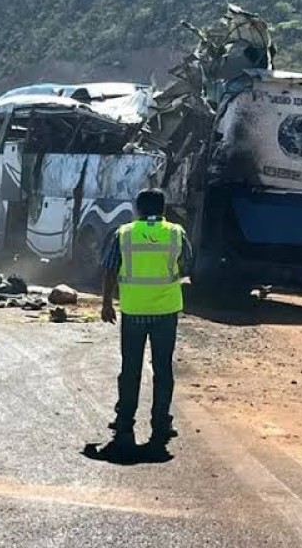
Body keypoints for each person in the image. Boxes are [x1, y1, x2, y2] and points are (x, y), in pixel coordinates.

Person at [101, 188, 192, 450]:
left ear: (138, 208)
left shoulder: (124, 233)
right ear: (163, 208)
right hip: (166, 311)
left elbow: (109, 269)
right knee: (163, 369)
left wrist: (107, 303)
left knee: (131, 368)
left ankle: (124, 420)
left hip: (134, 310)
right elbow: (187, 264)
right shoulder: (176, 233)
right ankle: (161, 423)